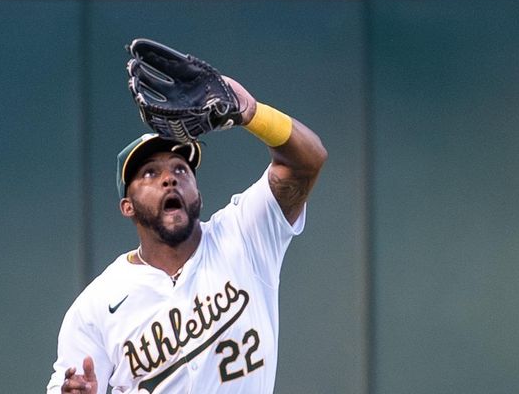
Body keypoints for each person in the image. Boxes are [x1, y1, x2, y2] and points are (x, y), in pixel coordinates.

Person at [46, 76, 327, 393]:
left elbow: (307, 161)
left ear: (198, 194)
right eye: (150, 173)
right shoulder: (97, 305)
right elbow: (66, 384)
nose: (169, 179)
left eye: (181, 169)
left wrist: (252, 113)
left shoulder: (244, 234)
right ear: (128, 206)